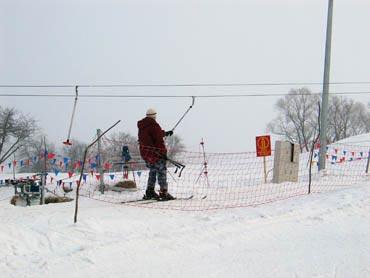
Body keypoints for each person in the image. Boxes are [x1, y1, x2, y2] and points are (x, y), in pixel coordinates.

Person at [137, 108, 175, 201]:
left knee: (153, 171)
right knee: (162, 172)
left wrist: (164, 133)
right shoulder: (154, 126)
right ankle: (163, 192)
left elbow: (151, 135)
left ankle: (149, 191)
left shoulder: (142, 127)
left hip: (146, 154)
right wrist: (163, 153)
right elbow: (158, 141)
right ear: (154, 116)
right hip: (156, 154)